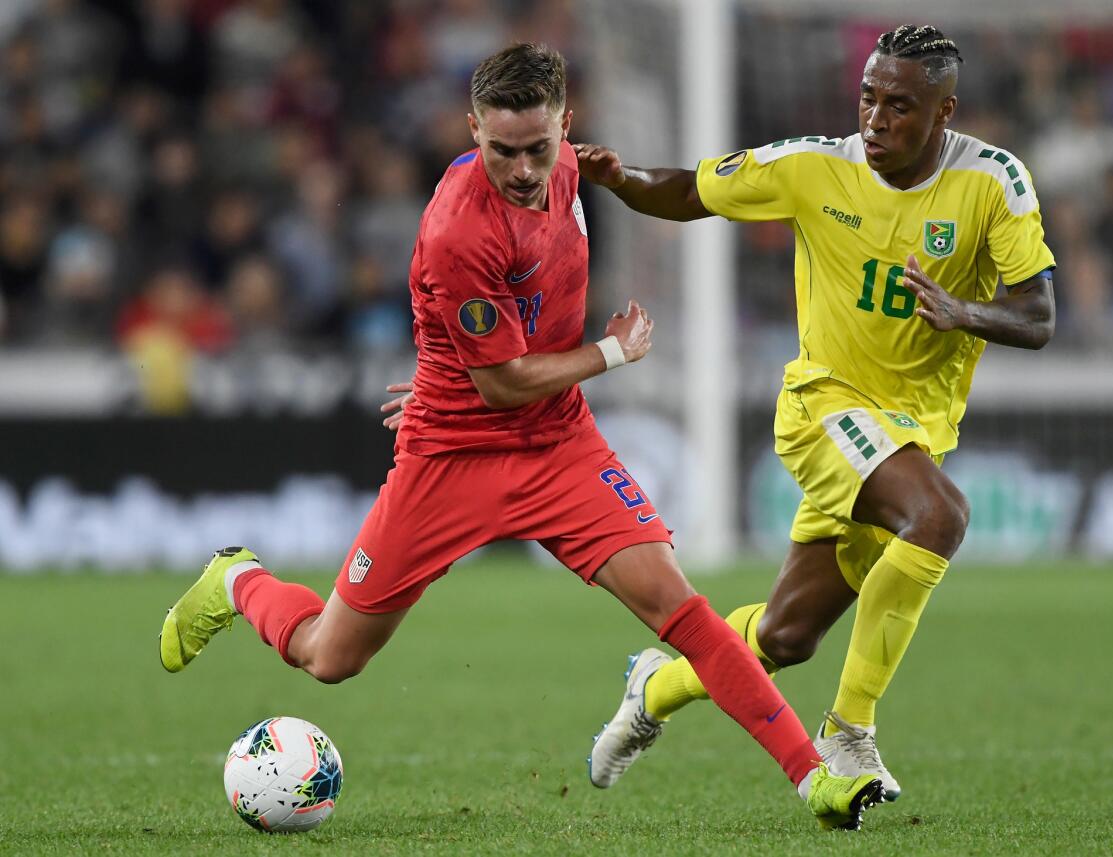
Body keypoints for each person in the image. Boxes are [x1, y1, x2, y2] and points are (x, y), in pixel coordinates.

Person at [159, 43, 885, 832]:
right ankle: (238, 581)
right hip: (452, 455)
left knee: (682, 609)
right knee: (329, 658)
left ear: (564, 126)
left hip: (558, 446)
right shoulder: (455, 230)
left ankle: (815, 779)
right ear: (472, 129)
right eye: (501, 150)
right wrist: (611, 351)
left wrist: (613, 176)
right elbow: (501, 382)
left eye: (538, 148)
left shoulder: (569, 167)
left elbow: (528, 309)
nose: (522, 169)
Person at [575, 24, 1056, 801]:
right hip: (824, 407)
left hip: (913, 432)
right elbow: (693, 189)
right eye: (868, 97)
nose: (876, 119)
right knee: (940, 518)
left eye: (900, 106)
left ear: (944, 112)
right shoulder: (816, 167)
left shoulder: (994, 182)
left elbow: (1037, 315)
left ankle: (654, 689)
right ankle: (850, 734)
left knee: (785, 635)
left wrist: (962, 311)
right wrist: (620, 176)